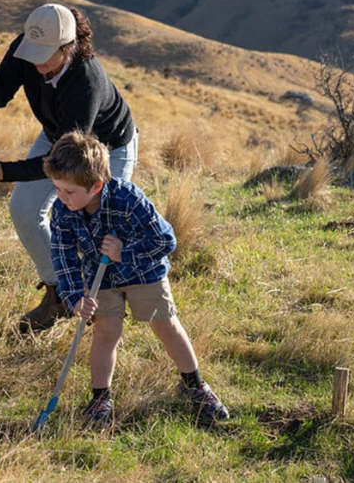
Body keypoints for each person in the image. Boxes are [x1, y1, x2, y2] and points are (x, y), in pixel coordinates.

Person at [0, 3, 137, 334]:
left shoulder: (85, 82)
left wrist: (1, 171)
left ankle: (108, 309)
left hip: (108, 146)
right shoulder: (27, 47)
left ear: (69, 47)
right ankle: (60, 294)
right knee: (24, 208)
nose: (37, 61)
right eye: (33, 51)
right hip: (58, 134)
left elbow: (62, 163)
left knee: (99, 225)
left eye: (46, 54)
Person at [45, 132, 229, 426]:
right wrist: (75, 296)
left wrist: (124, 253)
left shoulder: (127, 198)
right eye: (57, 189)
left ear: (96, 185)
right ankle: (100, 397)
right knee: (106, 331)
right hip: (99, 277)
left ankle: (194, 385)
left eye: (68, 192)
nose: (61, 197)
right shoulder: (62, 211)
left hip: (143, 270)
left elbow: (165, 240)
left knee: (165, 324)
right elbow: (63, 256)